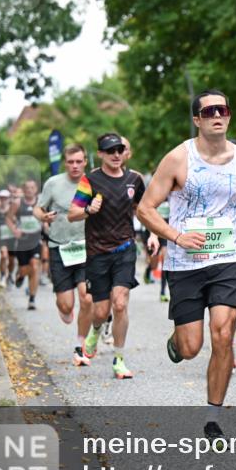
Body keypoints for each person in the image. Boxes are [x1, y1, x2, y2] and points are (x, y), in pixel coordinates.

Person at [138, 90, 236, 440]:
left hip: (227, 258)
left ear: (229, 116)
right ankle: (177, 341)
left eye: (223, 109)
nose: (217, 115)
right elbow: (145, 208)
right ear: (197, 119)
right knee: (191, 348)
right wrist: (175, 236)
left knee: (223, 331)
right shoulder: (178, 159)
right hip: (185, 262)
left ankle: (213, 417)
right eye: (209, 110)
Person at [68, 133, 156, 380]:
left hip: (125, 249)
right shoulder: (90, 180)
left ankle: (118, 359)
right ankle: (95, 331)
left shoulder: (134, 180)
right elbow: (72, 213)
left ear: (125, 152)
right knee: (100, 311)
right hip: (97, 253)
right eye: (110, 151)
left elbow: (144, 210)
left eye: (119, 150)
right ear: (101, 154)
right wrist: (88, 209)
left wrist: (153, 235)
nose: (116, 154)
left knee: (120, 303)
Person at [36, 144, 95, 367]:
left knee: (87, 298)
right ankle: (64, 307)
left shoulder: (91, 184)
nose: (75, 166)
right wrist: (43, 216)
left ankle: (80, 346)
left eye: (79, 161)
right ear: (65, 163)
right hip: (59, 247)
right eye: (71, 162)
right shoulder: (53, 183)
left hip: (85, 247)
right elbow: (37, 208)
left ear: (85, 162)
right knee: (66, 306)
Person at [7, 179, 43, 310]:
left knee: (34, 266)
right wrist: (14, 230)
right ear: (23, 190)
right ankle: (21, 275)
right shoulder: (17, 203)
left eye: (32, 187)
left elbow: (45, 218)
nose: (29, 190)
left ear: (36, 189)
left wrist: (47, 226)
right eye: (27, 188)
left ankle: (32, 299)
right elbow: (8, 218)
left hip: (35, 239)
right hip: (22, 241)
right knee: (24, 269)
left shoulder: (41, 203)